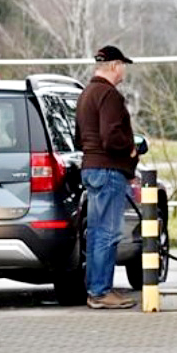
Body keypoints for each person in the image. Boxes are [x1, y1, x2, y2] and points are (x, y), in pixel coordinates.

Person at [74, 45, 139, 309]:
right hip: (109, 169)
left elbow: (79, 138)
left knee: (96, 232)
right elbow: (111, 137)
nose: (124, 70)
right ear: (114, 65)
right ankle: (101, 291)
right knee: (108, 233)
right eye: (123, 65)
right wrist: (131, 148)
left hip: (91, 167)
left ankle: (95, 290)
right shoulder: (109, 96)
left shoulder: (86, 94)